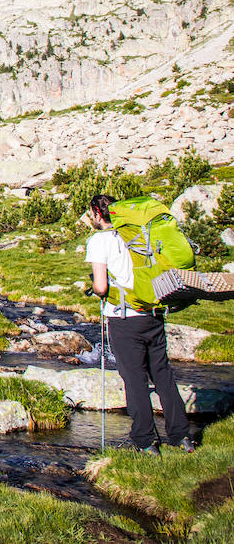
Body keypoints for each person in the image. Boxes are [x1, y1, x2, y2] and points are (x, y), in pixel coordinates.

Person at [85, 193, 196, 454]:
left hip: (123, 318)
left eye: (92, 213)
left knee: (134, 378)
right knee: (163, 374)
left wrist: (94, 287)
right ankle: (181, 437)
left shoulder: (99, 241)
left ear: (98, 214)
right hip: (152, 312)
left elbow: (101, 287)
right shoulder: (139, 234)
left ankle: (146, 441)